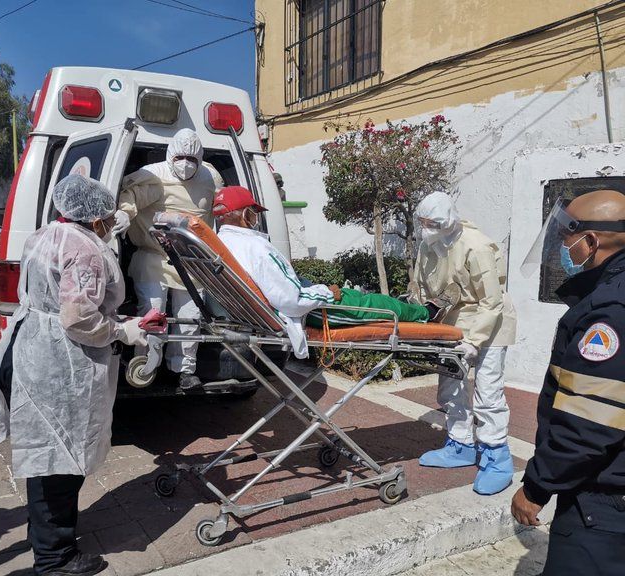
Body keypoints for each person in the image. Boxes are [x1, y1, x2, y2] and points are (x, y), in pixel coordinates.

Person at [0, 174, 147, 576]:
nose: (112, 221)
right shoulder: (88, 251)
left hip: (31, 348)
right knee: (59, 460)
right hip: (60, 360)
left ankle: (44, 534)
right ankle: (55, 559)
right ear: (95, 215)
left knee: (47, 454)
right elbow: (78, 317)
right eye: (108, 215)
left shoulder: (45, 235)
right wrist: (120, 331)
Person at [511, 190, 625, 576]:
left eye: (566, 237)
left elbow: (589, 421)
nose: (563, 247)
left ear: (591, 241)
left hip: (602, 505)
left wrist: (536, 488)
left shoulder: (608, 313)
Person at [212, 186, 445, 359]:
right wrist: (326, 294)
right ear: (243, 214)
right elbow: (291, 300)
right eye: (253, 211)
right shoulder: (256, 248)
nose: (255, 217)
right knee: (374, 303)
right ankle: (425, 313)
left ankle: (411, 308)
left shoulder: (222, 244)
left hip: (291, 300)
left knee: (365, 299)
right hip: (309, 310)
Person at [412, 191, 517, 495]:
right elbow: (421, 285)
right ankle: (460, 445)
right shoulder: (428, 244)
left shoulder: (476, 245)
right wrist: (419, 315)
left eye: (431, 223)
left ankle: (497, 457)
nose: (425, 228)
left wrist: (475, 340)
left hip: (491, 324)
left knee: (488, 392)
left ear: (447, 220)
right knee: (451, 388)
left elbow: (492, 302)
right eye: (421, 222)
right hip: (453, 324)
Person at [117, 128, 224, 390]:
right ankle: (146, 365)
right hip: (154, 259)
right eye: (180, 158)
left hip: (192, 260)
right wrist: (125, 213)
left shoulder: (210, 178)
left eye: (192, 159)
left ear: (200, 158)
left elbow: (221, 207)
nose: (186, 164)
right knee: (153, 315)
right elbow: (131, 195)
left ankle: (184, 370)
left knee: (190, 319)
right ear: (170, 155)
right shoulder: (155, 176)